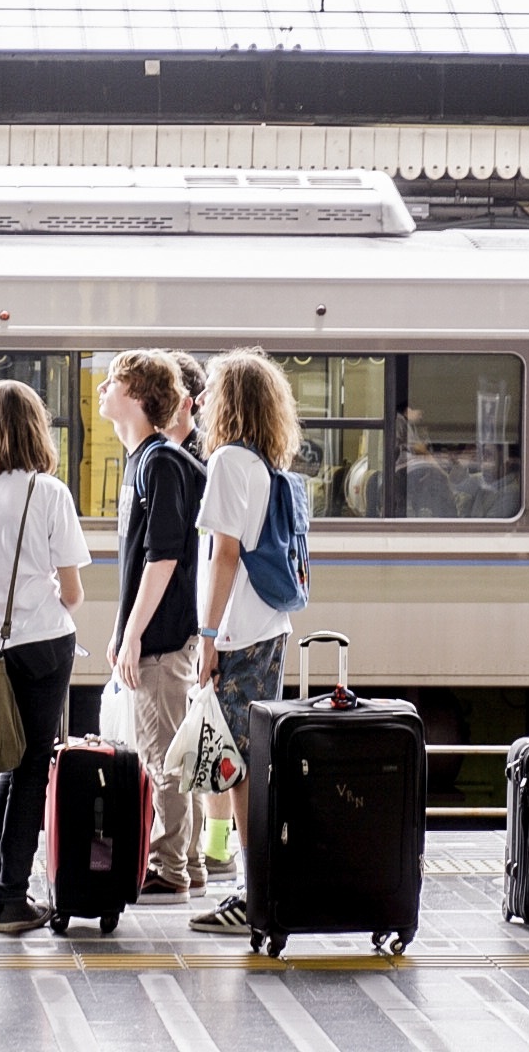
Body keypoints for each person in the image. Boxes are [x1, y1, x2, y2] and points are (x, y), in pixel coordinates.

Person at [0, 381, 91, 934]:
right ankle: (10, 899)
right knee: (30, 767)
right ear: (36, 427)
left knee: (7, 756)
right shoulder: (48, 493)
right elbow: (72, 592)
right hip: (41, 645)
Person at [186, 349, 303, 934]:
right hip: (267, 627)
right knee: (244, 760)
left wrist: (207, 636)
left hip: (240, 634)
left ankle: (251, 892)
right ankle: (257, 885)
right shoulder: (261, 464)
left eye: (210, 391)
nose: (201, 402)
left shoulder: (230, 461)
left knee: (238, 765)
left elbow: (223, 554)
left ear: (230, 401)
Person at [99, 349, 204, 905]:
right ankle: (186, 862)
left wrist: (135, 633)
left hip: (163, 637)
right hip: (154, 631)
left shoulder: (159, 463)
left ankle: (169, 869)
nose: (102, 389)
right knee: (168, 747)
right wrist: (123, 631)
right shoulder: (149, 459)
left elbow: (162, 558)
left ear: (138, 396)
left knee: (160, 753)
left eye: (114, 381)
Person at [164, 350, 232, 892]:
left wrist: (206, 633)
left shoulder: (189, 462)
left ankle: (209, 852)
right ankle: (210, 851)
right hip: (204, 620)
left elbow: (213, 552)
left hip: (197, 623)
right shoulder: (207, 459)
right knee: (206, 736)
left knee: (206, 738)